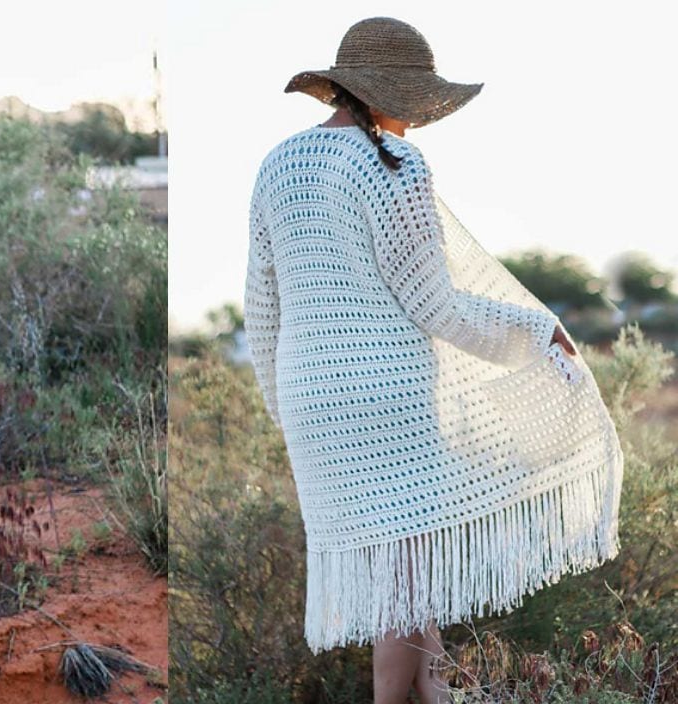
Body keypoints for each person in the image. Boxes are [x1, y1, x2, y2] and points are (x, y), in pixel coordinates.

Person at [244, 17, 623, 704]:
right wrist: (537, 333)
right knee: (404, 592)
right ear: (386, 92)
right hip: (389, 395)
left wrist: (284, 408)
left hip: (313, 402)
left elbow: (262, 309)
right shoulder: (391, 164)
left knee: (407, 591)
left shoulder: (276, 166)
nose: (417, 121)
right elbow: (438, 307)